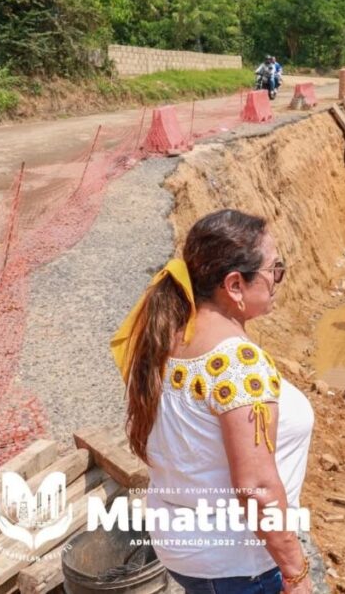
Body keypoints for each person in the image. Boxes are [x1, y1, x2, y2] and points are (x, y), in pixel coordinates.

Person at [110, 210, 315, 594]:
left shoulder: (168, 334)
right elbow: (256, 487)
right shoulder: (239, 363)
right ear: (235, 285)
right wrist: (296, 572)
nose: (278, 282)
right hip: (237, 564)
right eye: (275, 270)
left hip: (186, 548)